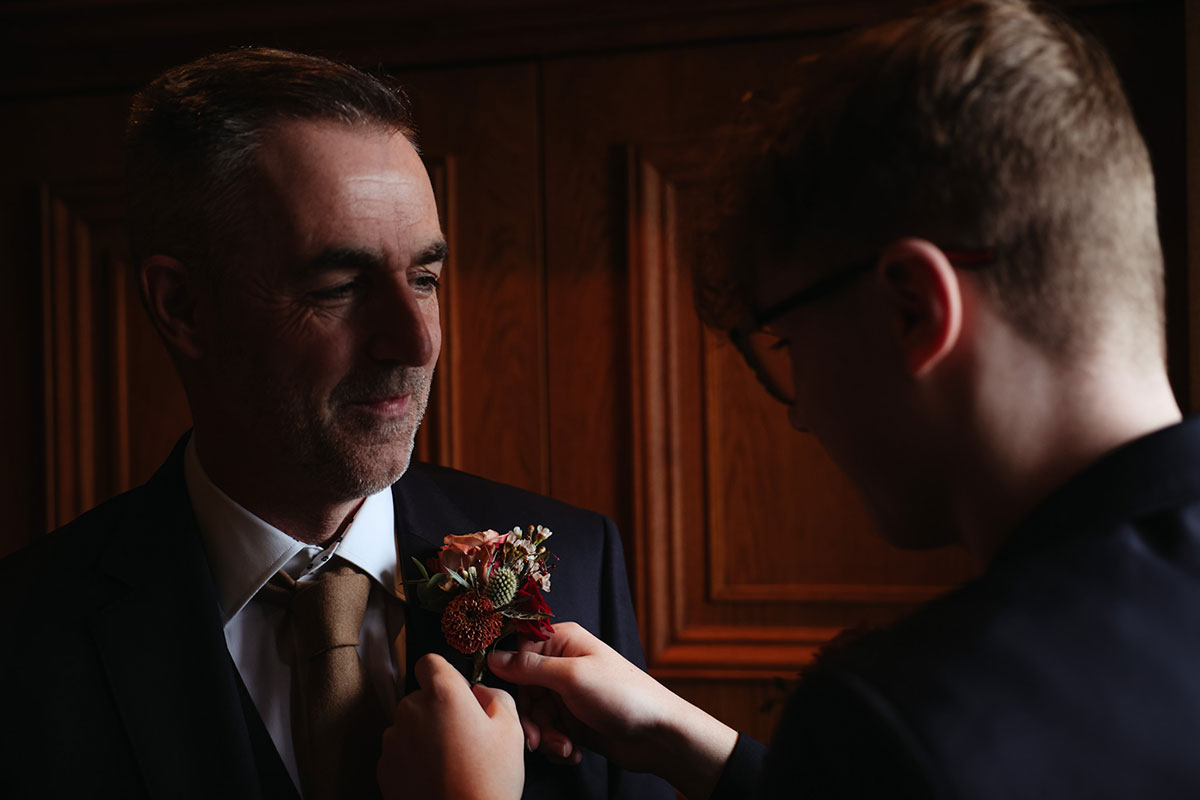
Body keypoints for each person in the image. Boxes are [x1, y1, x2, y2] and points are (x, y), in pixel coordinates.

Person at [403, 0, 1200, 797]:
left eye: (784, 346)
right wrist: (696, 746)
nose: (800, 412)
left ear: (913, 310)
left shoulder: (904, 716)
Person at [0, 48, 672, 800]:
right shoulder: (24, 641)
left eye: (424, 279)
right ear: (183, 308)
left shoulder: (579, 565)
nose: (416, 342)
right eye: (340, 287)